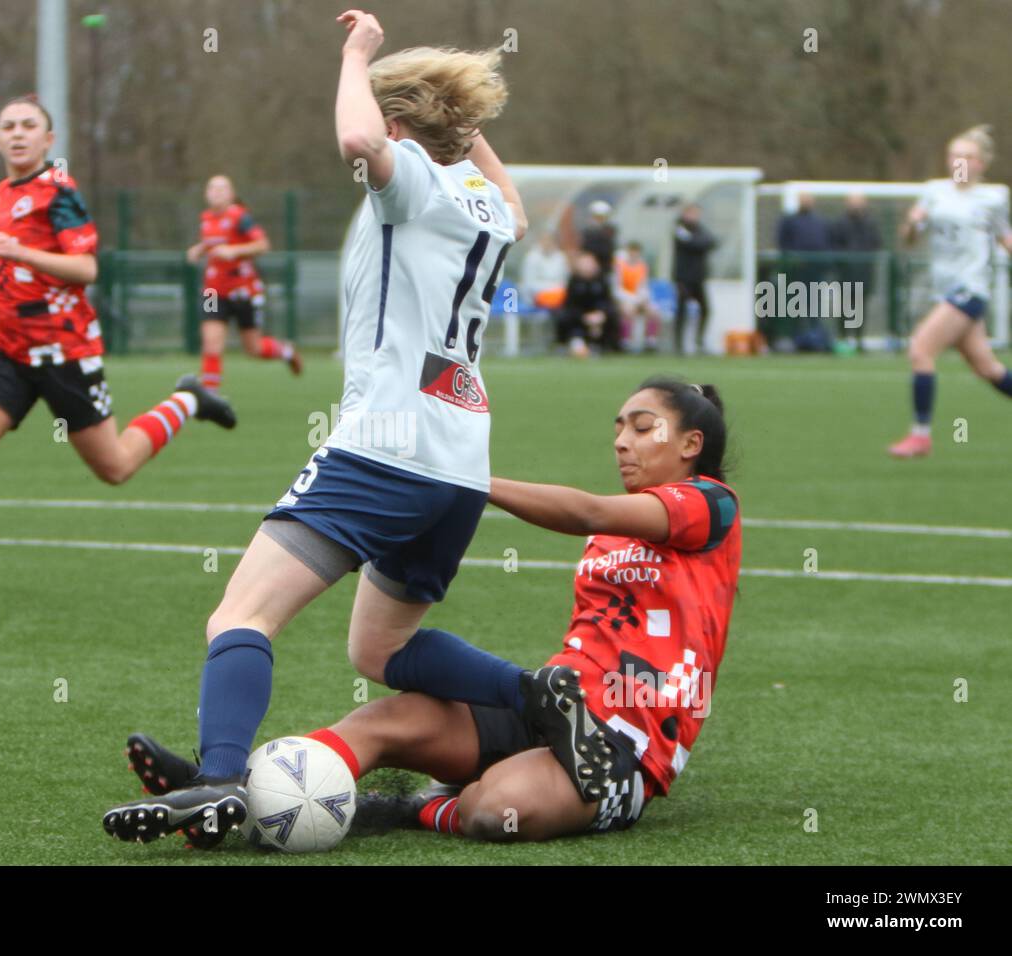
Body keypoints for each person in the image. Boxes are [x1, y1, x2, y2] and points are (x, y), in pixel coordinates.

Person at [102, 9, 553, 848]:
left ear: (398, 126)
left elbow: (358, 140)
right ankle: (539, 699)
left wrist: (356, 55)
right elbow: (518, 203)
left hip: (382, 448)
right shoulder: (488, 207)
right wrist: (468, 131)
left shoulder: (411, 175)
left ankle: (219, 779)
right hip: (457, 464)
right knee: (381, 649)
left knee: (241, 616)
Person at [121, 376, 740, 844]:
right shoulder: (619, 534)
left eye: (641, 426)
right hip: (562, 710)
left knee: (494, 809)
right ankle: (221, 792)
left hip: (620, 749)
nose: (621, 440)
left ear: (692, 443)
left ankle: (405, 808)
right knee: (379, 724)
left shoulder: (712, 506)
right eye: (619, 427)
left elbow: (588, 511)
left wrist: (466, 476)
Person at [0, 95, 236, 606]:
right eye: (8, 126)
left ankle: (188, 401)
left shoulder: (60, 194)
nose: (17, 133)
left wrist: (22, 252)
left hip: (64, 351)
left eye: (29, 126)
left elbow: (86, 269)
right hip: (8, 354)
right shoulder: (4, 190)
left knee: (114, 467)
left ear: (48, 140)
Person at [889, 125, 1012, 458]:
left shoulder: (993, 198)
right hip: (944, 292)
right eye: (955, 155)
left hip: (970, 289)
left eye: (968, 156)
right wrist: (912, 222)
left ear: (982, 163)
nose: (960, 161)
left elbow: (1006, 239)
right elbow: (909, 237)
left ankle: (920, 436)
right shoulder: (934, 192)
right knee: (988, 369)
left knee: (920, 349)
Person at [187, 174, 301, 389]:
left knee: (253, 348)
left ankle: (286, 351)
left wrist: (235, 251)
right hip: (213, 291)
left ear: (231, 195)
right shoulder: (207, 219)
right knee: (211, 342)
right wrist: (199, 249)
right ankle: (209, 396)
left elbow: (263, 245)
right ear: (206, 194)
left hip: (243, 290)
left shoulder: (241, 217)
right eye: (212, 188)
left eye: (222, 188)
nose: (216, 192)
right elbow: (212, 243)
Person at [829, 193, 882, 349]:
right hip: (845, 273)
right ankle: (843, 338)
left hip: (864, 273)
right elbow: (834, 244)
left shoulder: (870, 224)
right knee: (844, 306)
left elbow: (876, 244)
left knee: (861, 306)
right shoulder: (840, 224)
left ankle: (859, 339)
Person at [671, 204, 716, 354]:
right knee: (681, 310)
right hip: (683, 277)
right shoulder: (679, 229)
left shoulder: (700, 229)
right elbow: (695, 244)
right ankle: (678, 345)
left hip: (698, 277)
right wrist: (697, 242)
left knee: (705, 309)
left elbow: (710, 242)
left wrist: (697, 242)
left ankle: (699, 341)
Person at [555, 251, 619, 356]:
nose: (587, 268)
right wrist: (584, 317)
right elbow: (570, 305)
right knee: (563, 317)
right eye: (584, 264)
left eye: (590, 264)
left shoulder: (602, 281)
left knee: (614, 316)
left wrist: (601, 315)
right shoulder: (574, 282)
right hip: (579, 318)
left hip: (599, 317)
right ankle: (569, 343)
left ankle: (609, 346)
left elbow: (607, 302)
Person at [614, 241, 661, 352]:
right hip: (624, 298)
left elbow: (644, 286)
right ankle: (625, 341)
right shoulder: (620, 266)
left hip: (639, 298)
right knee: (628, 310)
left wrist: (641, 298)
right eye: (632, 252)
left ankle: (650, 342)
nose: (634, 255)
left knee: (653, 311)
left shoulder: (642, 266)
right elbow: (617, 288)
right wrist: (631, 299)